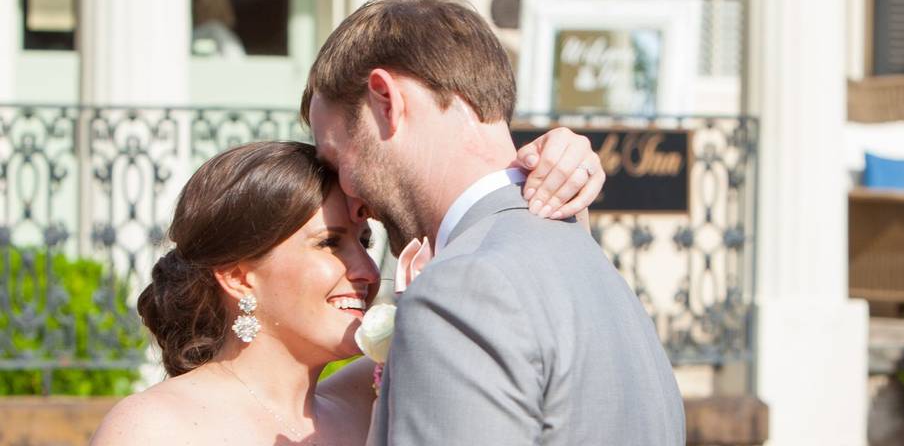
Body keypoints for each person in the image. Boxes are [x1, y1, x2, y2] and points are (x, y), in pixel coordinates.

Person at [303, 0, 685, 445]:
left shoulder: (463, 285)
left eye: (337, 155)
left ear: (386, 100)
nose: (350, 198)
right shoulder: (592, 265)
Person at [91, 131, 601, 445]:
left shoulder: (373, 394)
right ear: (238, 274)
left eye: (363, 239)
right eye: (330, 243)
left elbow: (534, 315)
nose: (365, 269)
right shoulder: (153, 430)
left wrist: (554, 164)